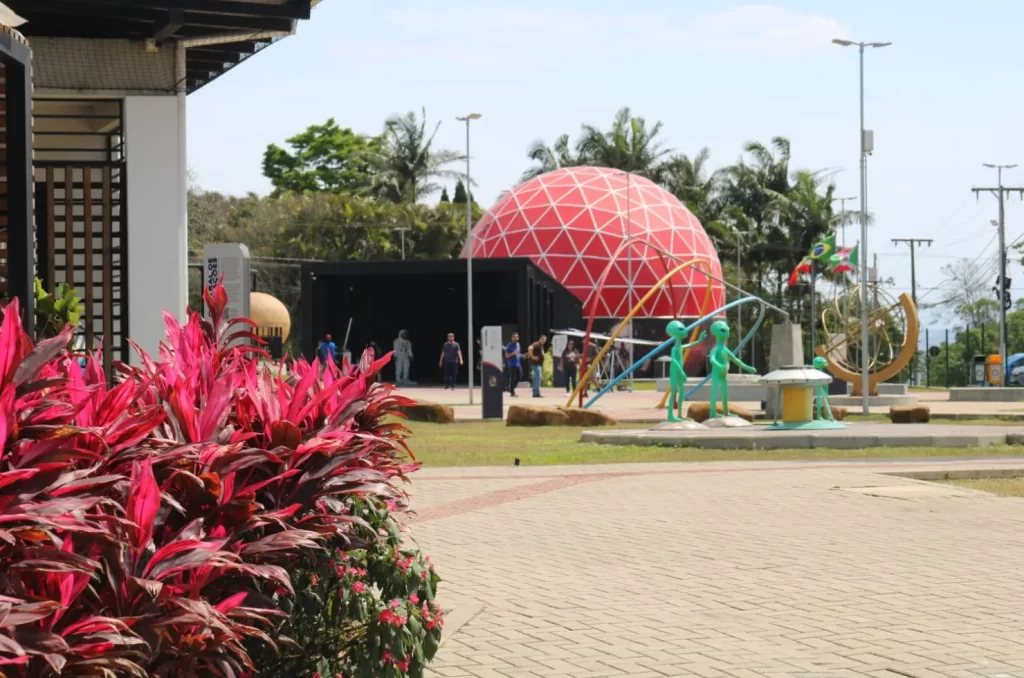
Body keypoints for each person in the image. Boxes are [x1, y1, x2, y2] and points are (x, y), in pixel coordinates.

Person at [504, 332, 522, 397]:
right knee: (513, 378)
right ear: (512, 338)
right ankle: (512, 392)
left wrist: (523, 356)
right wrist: (513, 353)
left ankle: (511, 388)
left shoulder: (518, 344)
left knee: (519, 377)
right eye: (514, 337)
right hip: (512, 364)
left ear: (518, 338)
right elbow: (506, 356)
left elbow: (518, 353)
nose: (515, 338)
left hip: (518, 364)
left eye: (516, 337)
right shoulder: (509, 345)